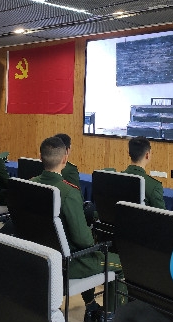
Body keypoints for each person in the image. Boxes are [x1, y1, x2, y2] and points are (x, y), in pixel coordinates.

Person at [31, 137, 123, 321]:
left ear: (40, 157)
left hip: (39, 257)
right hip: (70, 264)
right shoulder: (68, 192)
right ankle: (110, 316)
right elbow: (84, 241)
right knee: (122, 262)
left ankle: (91, 305)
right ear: (65, 158)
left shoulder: (30, 183)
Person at [121, 137, 165, 209]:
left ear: (129, 153)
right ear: (147, 155)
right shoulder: (154, 186)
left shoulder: (116, 178)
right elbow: (161, 215)